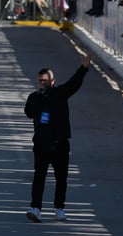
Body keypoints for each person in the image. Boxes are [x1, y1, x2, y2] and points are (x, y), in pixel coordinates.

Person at [24, 54, 91, 223]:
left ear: (52, 81)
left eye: (45, 80)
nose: (42, 83)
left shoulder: (60, 93)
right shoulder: (34, 97)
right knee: (39, 176)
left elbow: (74, 83)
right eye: (40, 80)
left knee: (61, 178)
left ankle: (59, 208)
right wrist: (39, 98)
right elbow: (29, 113)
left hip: (60, 144)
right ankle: (36, 208)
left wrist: (84, 68)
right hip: (41, 144)